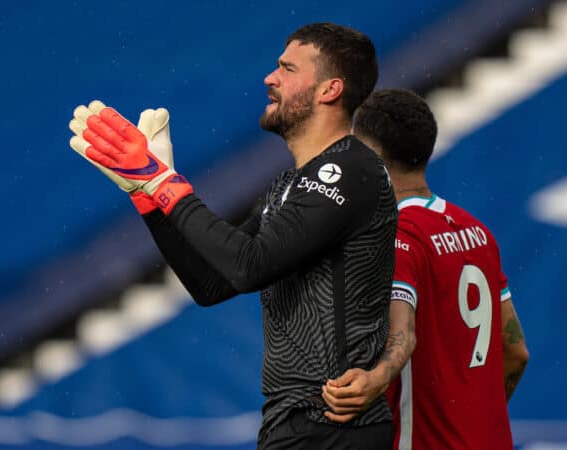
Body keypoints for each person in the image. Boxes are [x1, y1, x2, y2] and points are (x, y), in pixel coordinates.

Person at [69, 23, 397, 450]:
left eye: (287, 69)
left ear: (328, 90)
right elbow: (212, 283)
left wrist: (161, 181)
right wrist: (148, 197)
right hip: (296, 424)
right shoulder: (290, 183)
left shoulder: (349, 170)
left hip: (332, 426)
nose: (270, 77)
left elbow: (248, 266)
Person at [321, 88, 529, 449]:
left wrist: (375, 379)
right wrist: (472, 421)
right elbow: (516, 353)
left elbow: (404, 335)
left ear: (371, 156)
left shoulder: (397, 235)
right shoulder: (476, 231)